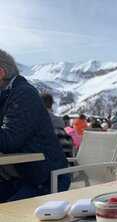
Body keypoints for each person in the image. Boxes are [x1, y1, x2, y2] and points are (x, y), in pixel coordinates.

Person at [0, 49, 70, 202]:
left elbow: (9, 140)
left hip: (44, 181)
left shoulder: (23, 94)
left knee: (6, 221)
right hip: (17, 177)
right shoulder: (5, 97)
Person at [41, 93, 74, 158]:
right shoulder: (59, 121)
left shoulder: (39, 119)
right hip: (65, 159)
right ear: (51, 104)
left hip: (50, 161)